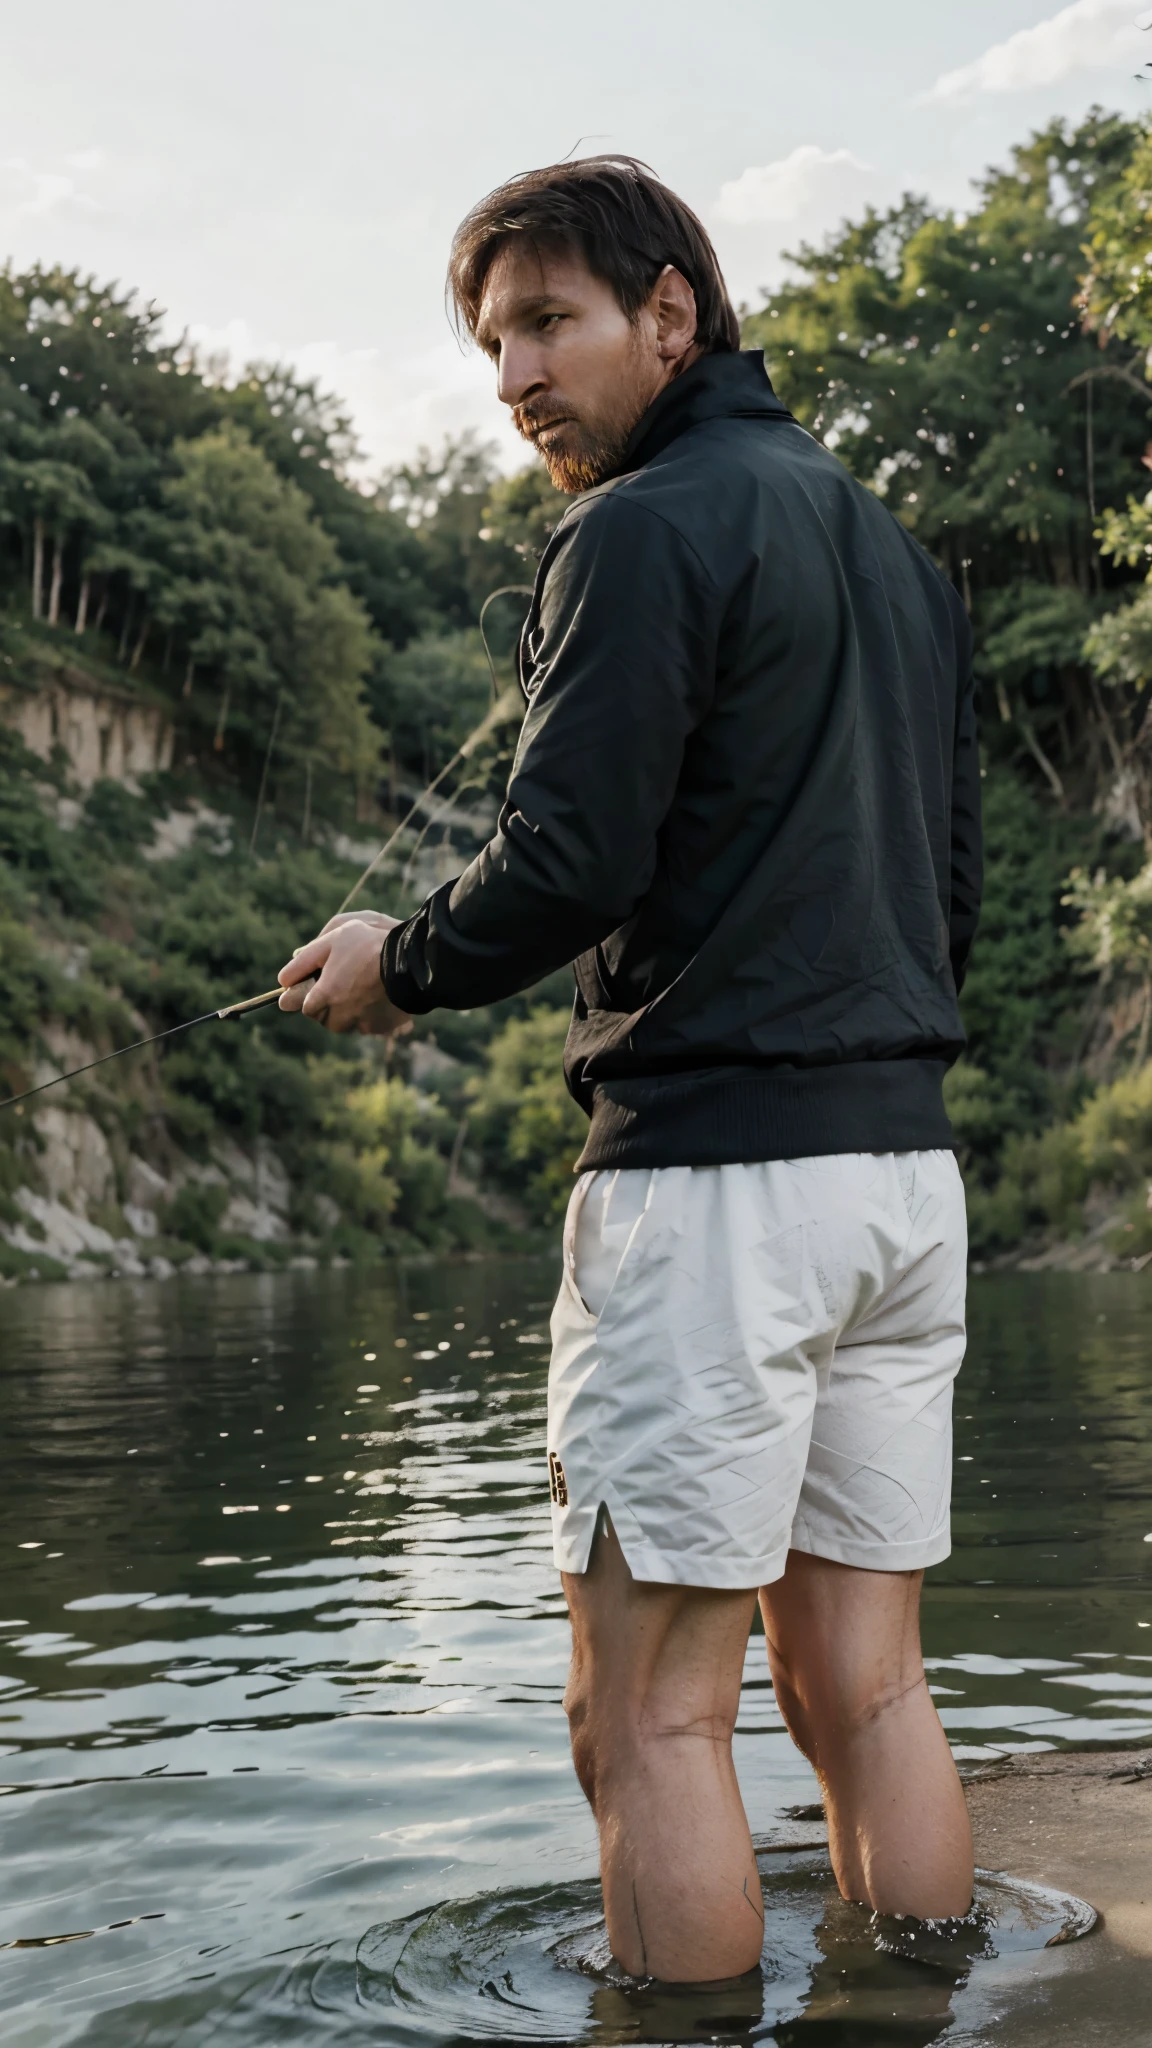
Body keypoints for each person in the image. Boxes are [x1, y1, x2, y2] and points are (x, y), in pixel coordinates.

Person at [277, 155, 982, 1986]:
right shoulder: (900, 559)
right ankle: (925, 2016)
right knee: (869, 1687)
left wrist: (397, 971)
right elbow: (953, 880)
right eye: (492, 338)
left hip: (715, 1191)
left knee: (652, 1725)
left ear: (673, 312)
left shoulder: (635, 530)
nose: (513, 373)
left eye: (547, 322)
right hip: (905, 1185)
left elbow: (570, 863)